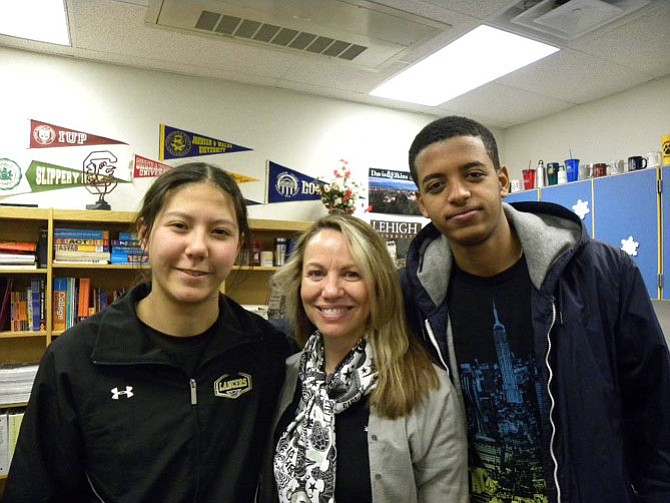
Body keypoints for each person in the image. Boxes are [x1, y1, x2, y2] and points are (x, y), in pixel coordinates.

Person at [400, 115, 670, 502]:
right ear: (422, 203)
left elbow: (654, 413)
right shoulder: (411, 296)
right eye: (437, 185)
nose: (457, 193)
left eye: (473, 174)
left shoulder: (604, 274)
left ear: (502, 180)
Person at [5, 162, 292, 502]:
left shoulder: (270, 354)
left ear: (239, 245)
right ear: (144, 233)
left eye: (219, 232)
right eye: (180, 226)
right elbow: (34, 489)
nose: (198, 247)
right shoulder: (77, 358)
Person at [258, 212, 468, 502]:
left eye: (351, 274)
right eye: (316, 273)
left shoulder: (427, 389)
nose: (330, 291)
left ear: (378, 285)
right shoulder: (288, 376)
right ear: (299, 283)